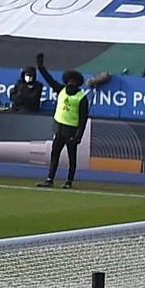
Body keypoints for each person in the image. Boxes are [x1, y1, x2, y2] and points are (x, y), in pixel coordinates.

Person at [35, 53, 89, 190]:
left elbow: (83, 119)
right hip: (59, 129)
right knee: (55, 155)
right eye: (69, 81)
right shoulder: (61, 90)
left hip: (72, 130)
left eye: (74, 82)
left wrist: (78, 136)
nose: (71, 83)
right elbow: (49, 80)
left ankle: (69, 181)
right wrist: (40, 67)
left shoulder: (81, 98)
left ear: (77, 83)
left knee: (72, 158)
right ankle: (49, 179)